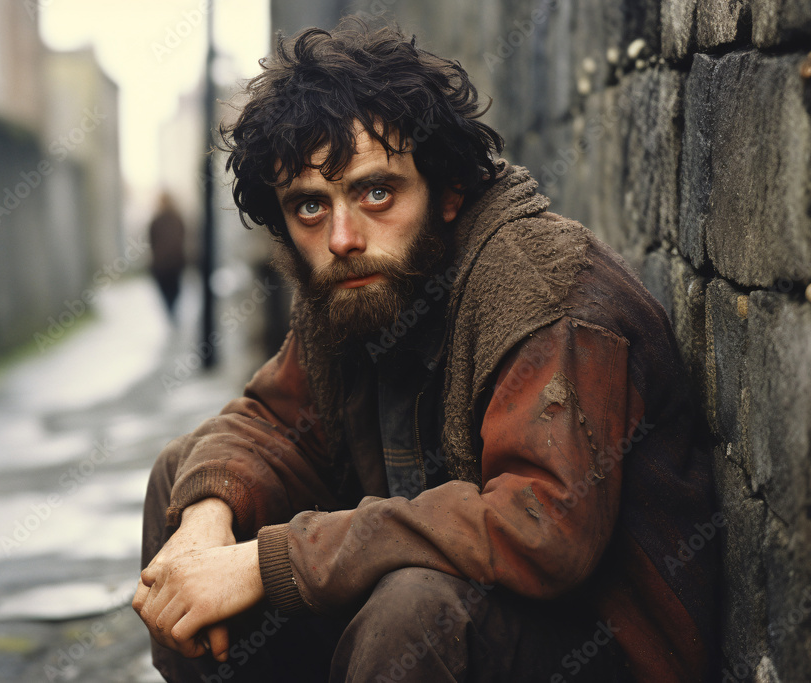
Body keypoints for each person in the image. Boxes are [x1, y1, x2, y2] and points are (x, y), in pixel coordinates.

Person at [133, 22, 717, 683]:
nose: (343, 236)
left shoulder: (549, 296)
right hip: (437, 617)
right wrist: (208, 517)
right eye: (308, 206)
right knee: (181, 474)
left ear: (447, 192)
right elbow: (268, 421)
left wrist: (273, 563)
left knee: (413, 609)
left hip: (603, 649)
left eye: (375, 191)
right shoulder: (352, 286)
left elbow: (541, 527)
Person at [148, 191, 188, 317]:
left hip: (168, 264)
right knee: (171, 291)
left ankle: (171, 312)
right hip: (168, 263)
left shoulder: (174, 219)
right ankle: (171, 312)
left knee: (172, 291)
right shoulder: (166, 220)